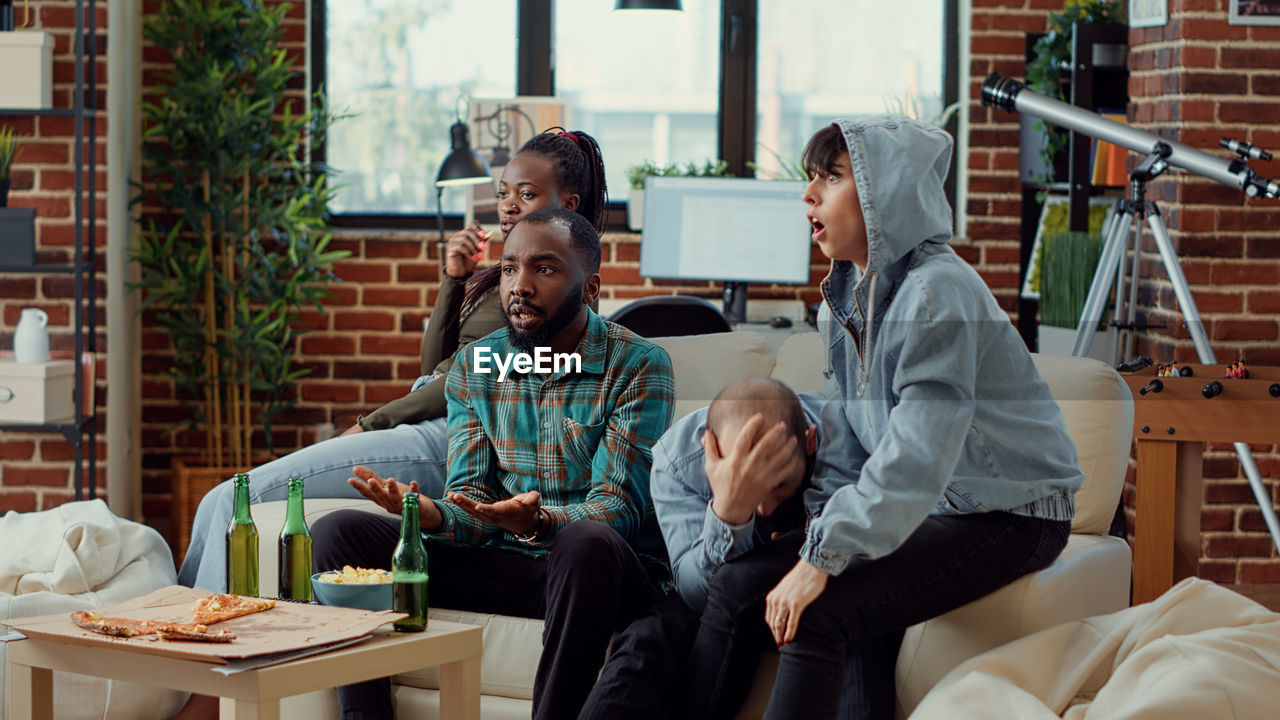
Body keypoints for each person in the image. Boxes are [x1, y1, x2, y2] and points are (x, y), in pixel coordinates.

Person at [681, 116, 1086, 720]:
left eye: (833, 178)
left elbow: (916, 458)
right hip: (930, 506)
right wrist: (816, 539)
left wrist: (822, 557)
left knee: (819, 607)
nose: (808, 195)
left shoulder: (937, 293)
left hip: (1007, 512)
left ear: (884, 194)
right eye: (809, 179)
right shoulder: (845, 298)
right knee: (740, 586)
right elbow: (850, 444)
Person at [175, 129, 608, 593]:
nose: (507, 204)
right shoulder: (502, 276)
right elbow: (433, 368)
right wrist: (455, 281)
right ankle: (181, 626)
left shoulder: (558, 292)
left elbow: (469, 380)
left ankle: (196, 637)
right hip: (427, 418)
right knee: (223, 500)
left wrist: (372, 422)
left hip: (453, 435)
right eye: (502, 192)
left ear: (569, 204)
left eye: (526, 194)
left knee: (234, 498)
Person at [312, 207, 677, 720]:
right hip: (510, 563)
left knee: (585, 541)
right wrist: (431, 514)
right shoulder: (476, 366)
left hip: (597, 573)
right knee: (339, 534)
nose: (519, 286)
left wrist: (539, 521)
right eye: (509, 269)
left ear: (590, 288)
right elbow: (473, 501)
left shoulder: (638, 364)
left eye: (544, 270)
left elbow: (617, 511)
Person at [577, 377, 823, 720]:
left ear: (810, 442)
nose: (765, 507)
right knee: (649, 635)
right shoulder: (679, 461)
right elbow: (694, 592)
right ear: (712, 448)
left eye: (778, 485)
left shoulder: (839, 432)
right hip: (725, 597)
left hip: (816, 580)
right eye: (754, 489)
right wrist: (729, 513)